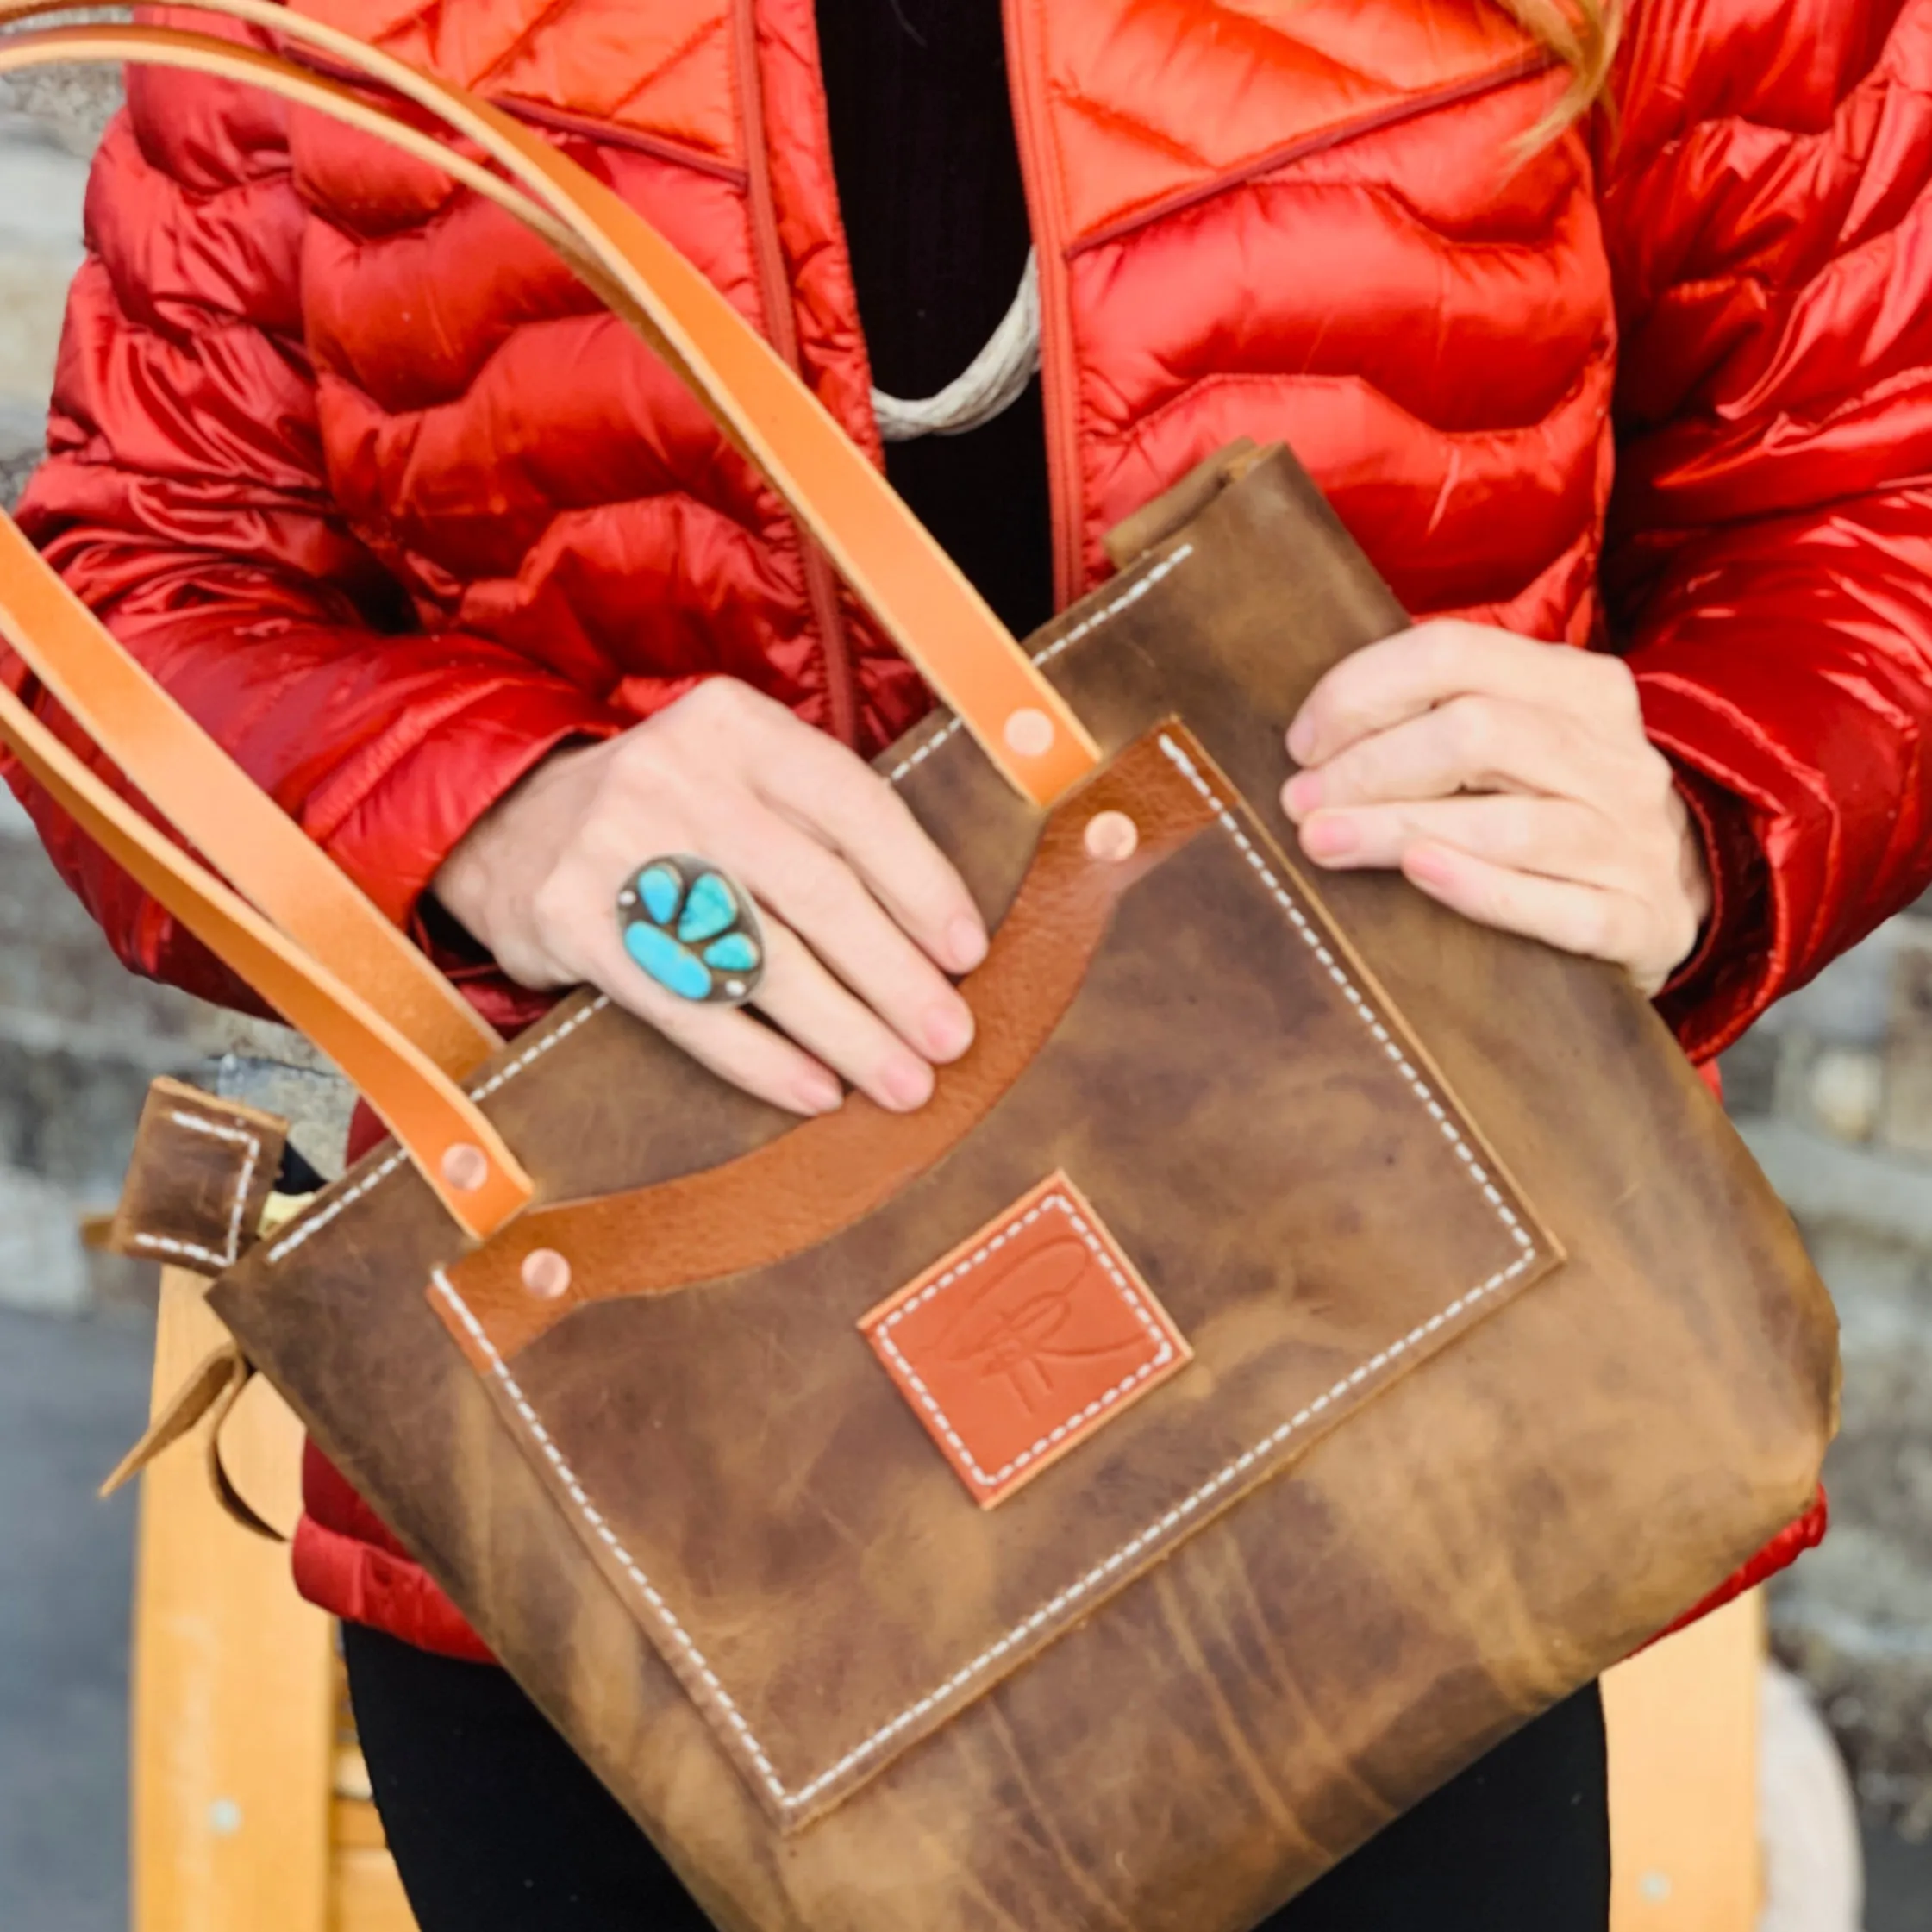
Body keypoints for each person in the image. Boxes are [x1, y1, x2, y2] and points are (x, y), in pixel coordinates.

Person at [5, 0, 1929, 1923]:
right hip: (677, 1528)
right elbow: (130, 587)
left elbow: (1871, 485)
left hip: (1401, 1406)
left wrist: (1701, 801)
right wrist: (495, 816)